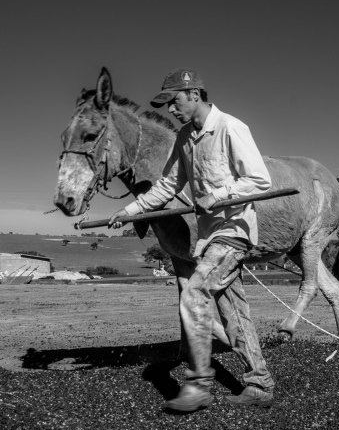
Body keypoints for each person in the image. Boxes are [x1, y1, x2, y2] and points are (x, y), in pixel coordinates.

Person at [109, 68, 274, 412]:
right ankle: (260, 384)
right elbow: (168, 186)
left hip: (233, 232)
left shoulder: (230, 127)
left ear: (194, 94)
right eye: (166, 103)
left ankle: (199, 384)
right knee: (234, 313)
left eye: (174, 100)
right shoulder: (185, 137)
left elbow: (260, 180)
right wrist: (131, 210)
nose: (170, 109)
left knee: (194, 292)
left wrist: (220, 194)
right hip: (211, 238)